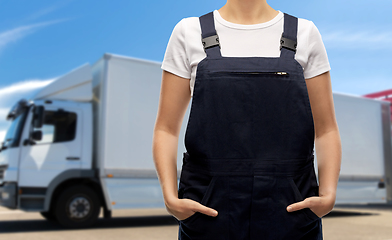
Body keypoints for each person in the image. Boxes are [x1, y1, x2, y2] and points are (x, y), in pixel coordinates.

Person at [152, 0, 342, 239]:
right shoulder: (188, 32)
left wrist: (328, 195)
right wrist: (170, 199)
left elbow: (326, 129)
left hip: (291, 211)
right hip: (209, 212)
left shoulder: (305, 33)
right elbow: (166, 129)